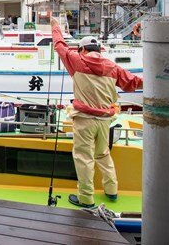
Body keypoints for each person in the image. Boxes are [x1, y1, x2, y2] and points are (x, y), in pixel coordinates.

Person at [50, 17, 143, 208]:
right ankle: (112, 191)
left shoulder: (77, 60)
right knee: (103, 155)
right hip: (104, 120)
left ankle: (86, 198)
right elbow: (133, 82)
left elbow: (60, 46)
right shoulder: (112, 67)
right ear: (100, 51)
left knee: (84, 158)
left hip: (84, 120)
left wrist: (55, 27)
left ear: (82, 50)